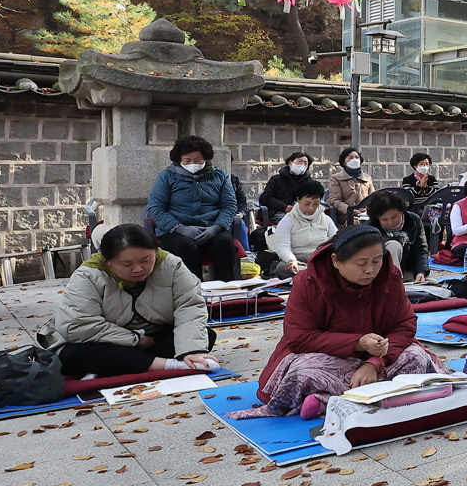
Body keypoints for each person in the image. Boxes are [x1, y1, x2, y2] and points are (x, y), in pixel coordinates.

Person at [236, 226, 444, 419]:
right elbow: (299, 338)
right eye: (361, 264)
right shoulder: (309, 282)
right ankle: (376, 393)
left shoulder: (389, 276)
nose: (371, 270)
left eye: (377, 261)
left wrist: (373, 363)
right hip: (328, 356)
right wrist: (358, 343)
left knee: (416, 356)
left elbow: (404, 324)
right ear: (336, 260)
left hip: (381, 357)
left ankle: (326, 399)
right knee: (304, 372)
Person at [53, 224, 216, 378]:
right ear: (107, 259)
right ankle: (172, 365)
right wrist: (134, 340)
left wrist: (191, 351)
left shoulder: (171, 265)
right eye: (127, 264)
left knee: (204, 336)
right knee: (72, 355)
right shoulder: (88, 275)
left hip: (155, 339)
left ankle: (124, 366)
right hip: (111, 343)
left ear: (156, 250)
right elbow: (78, 325)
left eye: (145, 260)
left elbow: (189, 307)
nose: (138, 269)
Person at [147, 135, 241, 281]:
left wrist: (215, 228)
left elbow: (229, 206)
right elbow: (156, 207)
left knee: (224, 243)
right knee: (186, 247)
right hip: (175, 231)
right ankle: (192, 290)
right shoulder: (166, 176)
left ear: (206, 158)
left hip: (210, 229)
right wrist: (180, 228)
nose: (193, 164)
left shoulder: (219, 176)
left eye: (197, 160)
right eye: (187, 160)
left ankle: (225, 288)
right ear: (179, 160)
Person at [269, 178, 338, 277]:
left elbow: (335, 241)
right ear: (298, 199)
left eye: (315, 204)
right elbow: (283, 247)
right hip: (299, 260)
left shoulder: (326, 219)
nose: (311, 208)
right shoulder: (287, 221)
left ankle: (311, 274)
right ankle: (315, 274)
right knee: (282, 268)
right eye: (307, 203)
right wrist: (291, 260)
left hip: (321, 258)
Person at [366, 190, 430, 280]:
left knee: (430, 284)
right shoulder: (370, 228)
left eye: (394, 217)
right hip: (381, 274)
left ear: (402, 211)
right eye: (385, 219)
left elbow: (420, 250)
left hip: (406, 270)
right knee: (394, 245)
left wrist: (421, 272)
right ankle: (394, 284)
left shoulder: (413, 221)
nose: (391, 222)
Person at [257, 151, 314, 225]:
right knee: (291, 223)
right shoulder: (276, 179)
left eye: (305, 164)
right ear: (290, 163)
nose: (302, 165)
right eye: (299, 161)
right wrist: (284, 207)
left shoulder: (310, 182)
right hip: (277, 211)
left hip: (302, 212)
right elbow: (266, 198)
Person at [330, 146, 374, 223]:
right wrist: (351, 211)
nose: (354, 160)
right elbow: (336, 200)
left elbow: (373, 197)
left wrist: (367, 209)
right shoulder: (336, 178)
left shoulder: (367, 178)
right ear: (344, 162)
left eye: (357, 157)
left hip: (365, 213)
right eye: (350, 158)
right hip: (345, 214)